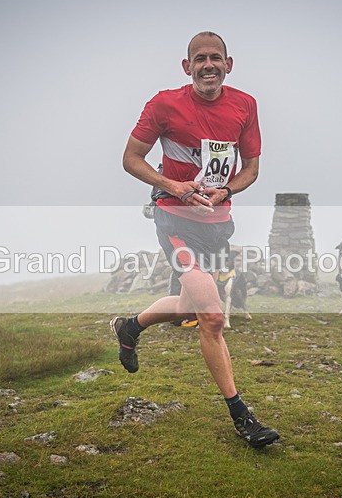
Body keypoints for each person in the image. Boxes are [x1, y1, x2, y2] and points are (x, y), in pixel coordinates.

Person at [114, 31, 279, 448]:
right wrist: (172, 183)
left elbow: (251, 169)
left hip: (218, 222)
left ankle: (131, 326)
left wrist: (225, 192)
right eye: (200, 59)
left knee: (190, 304)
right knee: (212, 315)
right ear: (187, 67)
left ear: (229, 63)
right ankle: (242, 416)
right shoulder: (164, 104)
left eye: (215, 58)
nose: (208, 65)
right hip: (174, 219)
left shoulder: (245, 105)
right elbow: (131, 158)